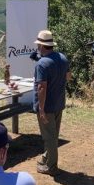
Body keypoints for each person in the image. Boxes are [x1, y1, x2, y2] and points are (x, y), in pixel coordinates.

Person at [32, 30, 70, 175]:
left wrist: (41, 108)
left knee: (49, 137)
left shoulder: (42, 63)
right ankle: (47, 158)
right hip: (58, 103)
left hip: (47, 106)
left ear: (42, 46)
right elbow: (68, 76)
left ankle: (52, 167)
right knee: (53, 135)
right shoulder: (62, 58)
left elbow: (41, 87)